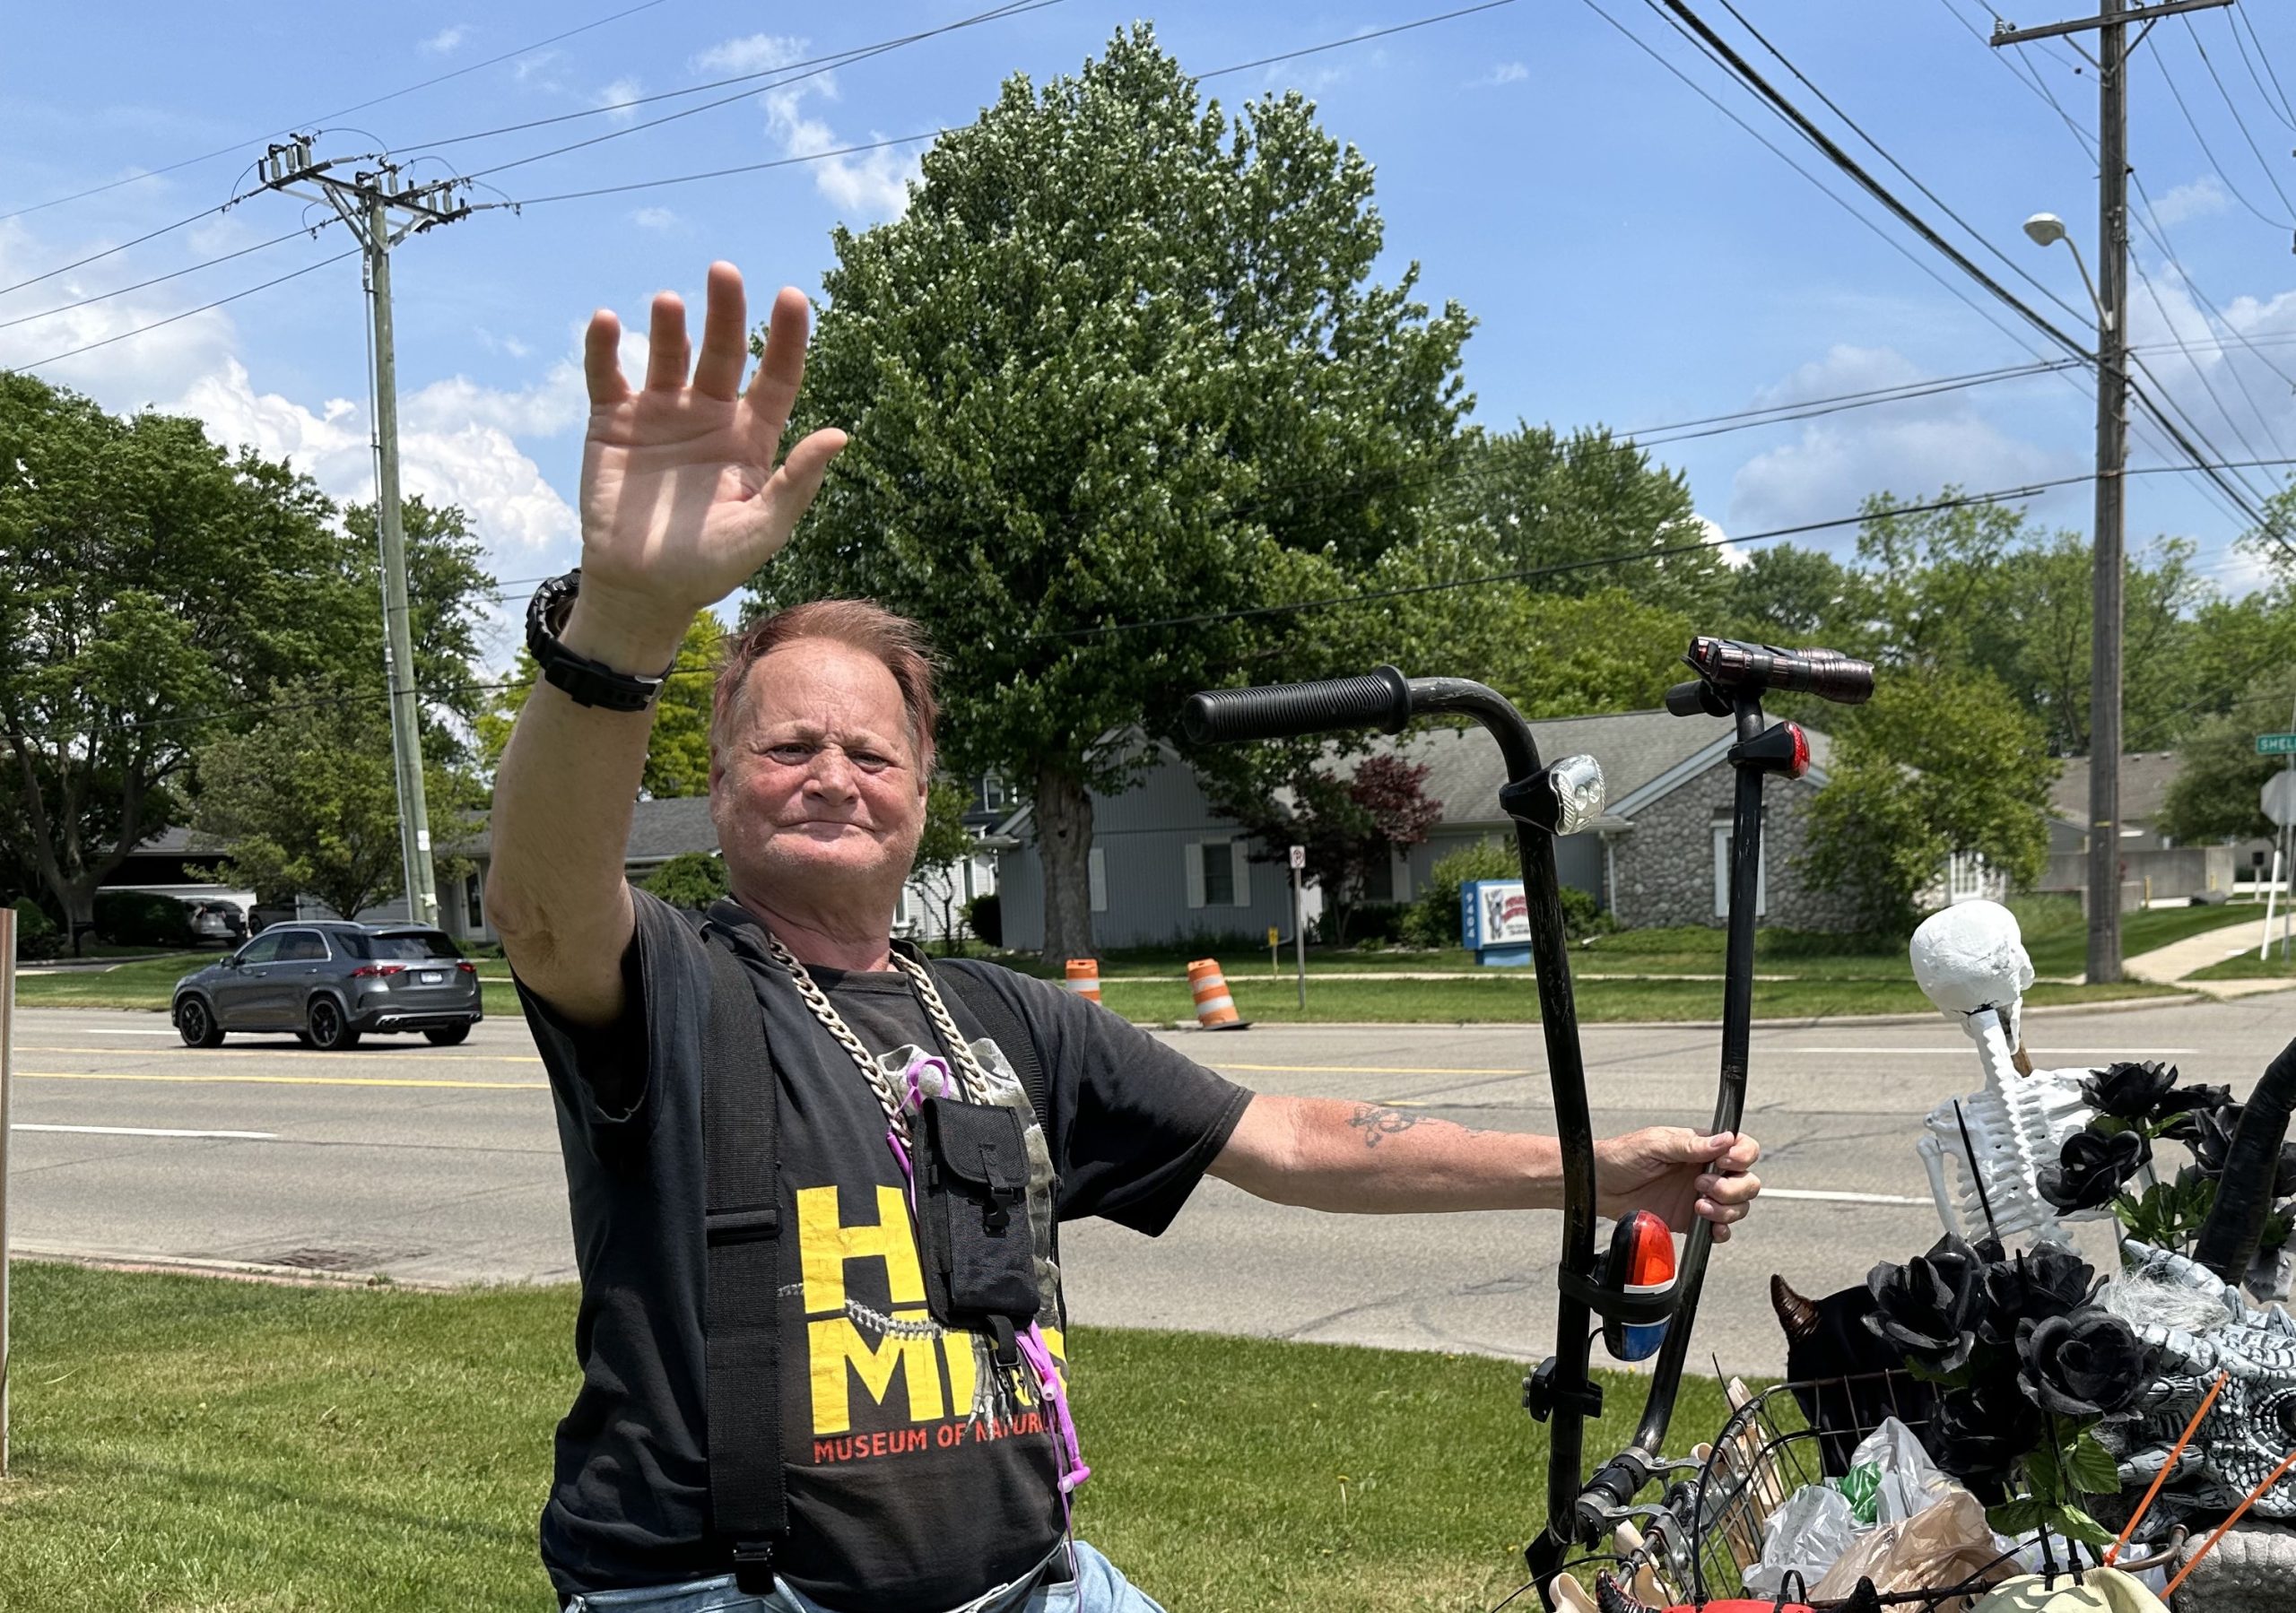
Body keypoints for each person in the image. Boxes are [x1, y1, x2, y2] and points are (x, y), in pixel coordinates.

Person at [486, 262, 1764, 1613]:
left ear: (921, 792)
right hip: (732, 1595)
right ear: (719, 780)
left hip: (1035, 1582)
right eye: (788, 745)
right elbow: (542, 902)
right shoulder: (678, 991)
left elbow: (1294, 1140)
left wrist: (1595, 1175)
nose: (832, 776)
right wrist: (628, 618)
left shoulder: (1002, 1018)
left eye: (870, 751)